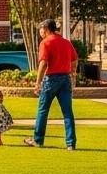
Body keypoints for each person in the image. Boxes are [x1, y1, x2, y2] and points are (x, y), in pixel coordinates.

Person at [24, 19, 78, 150]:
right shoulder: (66, 42)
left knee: (43, 110)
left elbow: (43, 63)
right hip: (65, 78)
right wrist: (73, 75)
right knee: (67, 112)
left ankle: (38, 140)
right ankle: (70, 143)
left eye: (41, 30)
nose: (40, 32)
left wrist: (38, 82)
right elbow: (75, 59)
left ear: (46, 29)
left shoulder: (46, 42)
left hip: (51, 79)